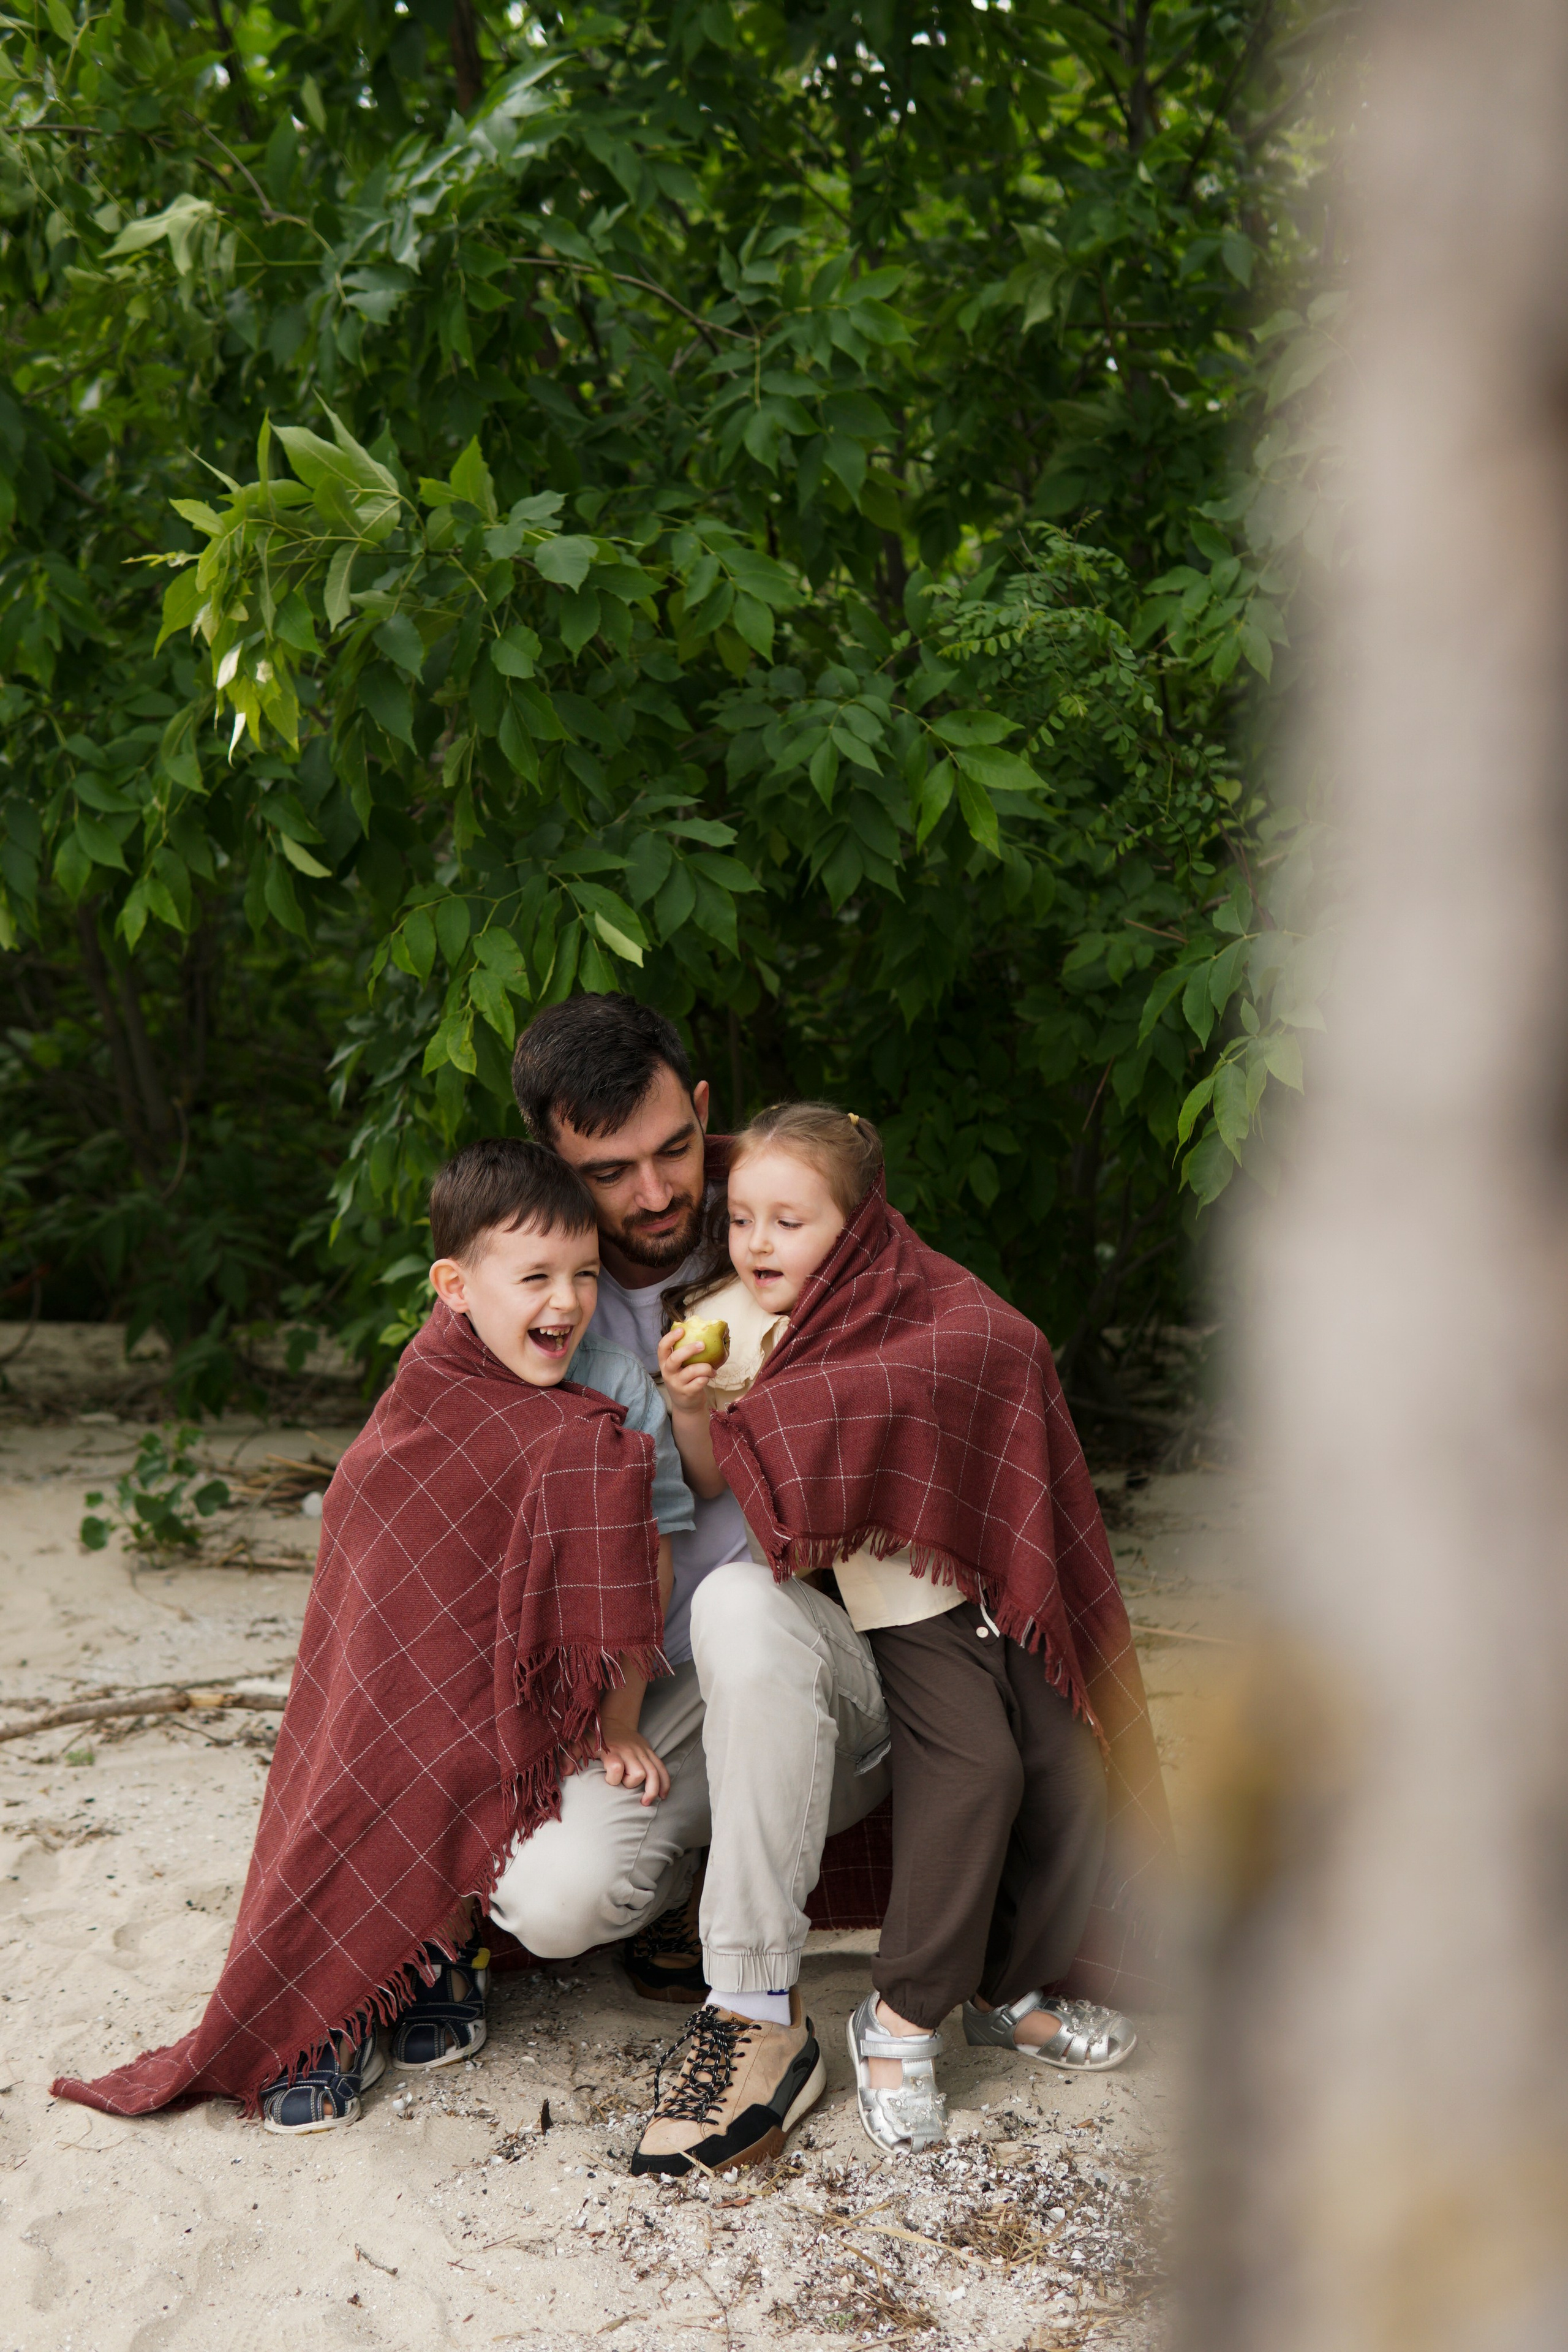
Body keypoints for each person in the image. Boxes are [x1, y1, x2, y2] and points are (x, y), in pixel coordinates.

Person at [53, 1141, 666, 2134]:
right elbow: (377, 1562)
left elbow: (639, 1574)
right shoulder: (423, 1397)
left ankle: (444, 1941)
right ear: (455, 1287)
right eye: (537, 1278)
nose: (566, 1301)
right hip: (396, 1695)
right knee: (366, 1768)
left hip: (530, 1705)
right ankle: (330, 2004)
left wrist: (622, 1717)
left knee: (472, 1759)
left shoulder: (603, 1414)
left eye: (585, 1275)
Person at [660, 1099, 1164, 2155]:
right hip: (891, 1606)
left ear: (859, 1226)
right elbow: (730, 1483)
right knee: (978, 1771)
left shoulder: (919, 1292)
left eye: (788, 1222)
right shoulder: (732, 1324)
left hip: (987, 1576)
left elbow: (1004, 1351)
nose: (758, 1242)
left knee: (1071, 1761)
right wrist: (696, 1407)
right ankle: (898, 2019)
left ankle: (1007, 1986)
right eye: (743, 1218)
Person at [499, 997, 892, 2176]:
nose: (659, 1193)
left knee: (735, 1602)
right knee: (555, 1901)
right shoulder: (524, 1294)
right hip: (647, 1699)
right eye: (609, 1172)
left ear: (703, 1112)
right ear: (554, 1166)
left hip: (837, 1685)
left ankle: (757, 2012)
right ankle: (696, 1889)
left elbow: (947, 1346)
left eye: (675, 1150)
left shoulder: (793, 1219)